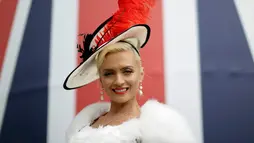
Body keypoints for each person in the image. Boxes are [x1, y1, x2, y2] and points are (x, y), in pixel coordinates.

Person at [63, 0, 196, 142]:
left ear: (141, 73)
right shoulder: (82, 127)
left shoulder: (164, 132)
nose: (119, 81)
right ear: (100, 79)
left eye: (127, 71)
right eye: (109, 73)